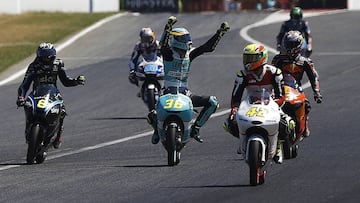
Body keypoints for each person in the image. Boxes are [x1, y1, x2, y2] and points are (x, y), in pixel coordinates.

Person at [147, 16, 230, 144]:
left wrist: (219, 34)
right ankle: (157, 131)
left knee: (212, 102)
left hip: (185, 93)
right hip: (167, 92)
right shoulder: (168, 53)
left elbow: (207, 47)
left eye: (187, 39)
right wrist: (168, 27)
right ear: (176, 40)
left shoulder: (189, 53)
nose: (187, 42)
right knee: (152, 113)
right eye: (183, 39)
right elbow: (162, 44)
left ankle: (196, 128)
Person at [16, 42, 86, 149]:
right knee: (27, 107)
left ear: (53, 56)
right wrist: (21, 97)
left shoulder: (58, 64)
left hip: (52, 94)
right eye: (43, 56)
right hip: (36, 94)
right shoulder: (33, 66)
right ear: (39, 56)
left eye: (48, 56)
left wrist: (76, 81)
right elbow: (24, 85)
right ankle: (29, 130)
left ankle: (58, 136)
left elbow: (66, 81)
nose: (46, 59)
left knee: (62, 110)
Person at [222, 43, 284, 162]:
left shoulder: (274, 73)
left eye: (251, 58)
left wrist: (274, 105)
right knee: (229, 123)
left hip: (271, 103)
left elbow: (281, 95)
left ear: (261, 58)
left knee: (286, 123)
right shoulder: (243, 74)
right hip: (250, 104)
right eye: (246, 58)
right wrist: (234, 109)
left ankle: (278, 146)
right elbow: (236, 96)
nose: (247, 61)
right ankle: (243, 140)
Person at [272, 30, 322, 138]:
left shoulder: (305, 61)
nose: (289, 47)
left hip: (296, 89)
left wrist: (316, 92)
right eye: (288, 44)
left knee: (306, 105)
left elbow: (314, 77)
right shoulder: (278, 59)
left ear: (299, 45)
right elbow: (270, 74)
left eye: (292, 44)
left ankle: (304, 124)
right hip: (279, 88)